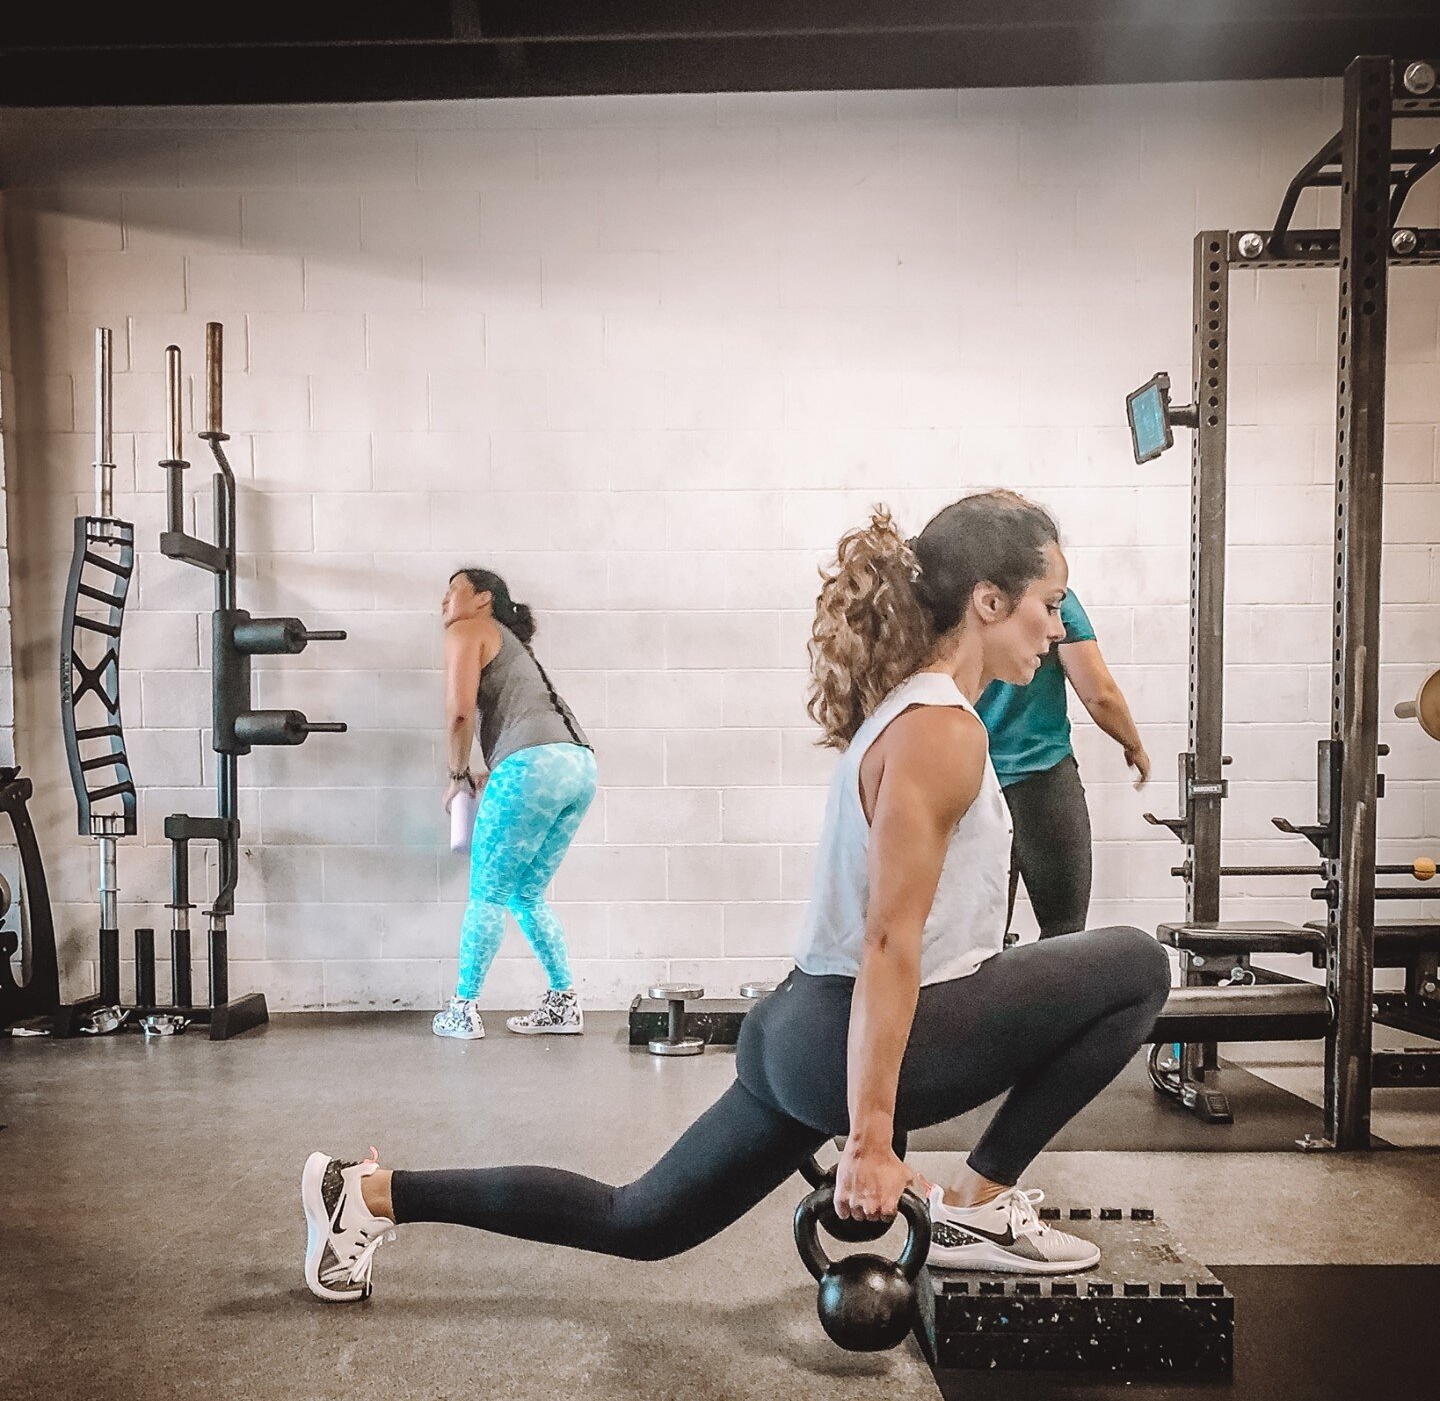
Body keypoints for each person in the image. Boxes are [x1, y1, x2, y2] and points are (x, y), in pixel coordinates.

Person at [302, 494, 1171, 1307]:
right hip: (841, 1034)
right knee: (1134, 964)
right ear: (988, 600)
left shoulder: (910, 710)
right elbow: (887, 943)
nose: (1056, 627)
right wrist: (870, 1140)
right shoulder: (942, 729)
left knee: (637, 1219)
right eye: (1047, 603)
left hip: (800, 1029)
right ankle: (980, 1205)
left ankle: (367, 1194)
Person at [431, 567, 596, 1041]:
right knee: (526, 895)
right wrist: (497, 768)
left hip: (532, 765)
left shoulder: (468, 628)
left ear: (483, 598)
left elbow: (459, 711)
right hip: (577, 764)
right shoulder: (508, 639)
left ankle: (463, 1009)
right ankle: (563, 1002)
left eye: (453, 591)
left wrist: (458, 775)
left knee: (487, 893)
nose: (443, 602)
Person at [976, 551, 1149, 940]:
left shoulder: (967, 608)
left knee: (974, 943)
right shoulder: (1056, 604)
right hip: (1041, 779)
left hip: (974, 780)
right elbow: (1099, 694)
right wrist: (1133, 744)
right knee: (1065, 935)